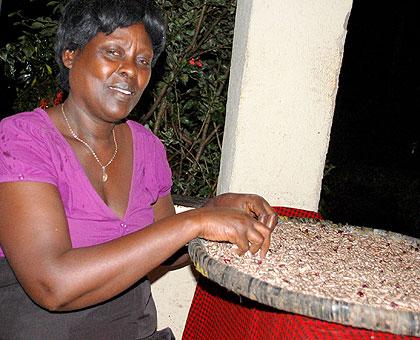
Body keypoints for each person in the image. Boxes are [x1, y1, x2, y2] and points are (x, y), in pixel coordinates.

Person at [0, 0, 277, 338]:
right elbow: (52, 285)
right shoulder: (22, 141)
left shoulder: (145, 146)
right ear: (70, 55)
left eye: (143, 61)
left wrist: (214, 210)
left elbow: (164, 250)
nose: (130, 71)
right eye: (113, 53)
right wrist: (194, 221)